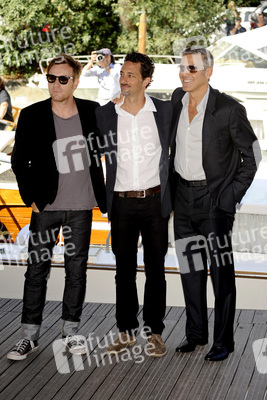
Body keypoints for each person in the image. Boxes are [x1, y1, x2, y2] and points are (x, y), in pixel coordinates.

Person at [7, 54, 106, 361]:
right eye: (51, 78)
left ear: (75, 81)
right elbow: (18, 161)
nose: (56, 84)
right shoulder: (33, 114)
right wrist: (31, 200)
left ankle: (71, 332)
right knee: (36, 271)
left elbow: (109, 148)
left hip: (81, 207)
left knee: (76, 272)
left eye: (63, 79)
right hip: (45, 208)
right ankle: (29, 336)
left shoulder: (93, 112)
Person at [170, 47, 261, 362]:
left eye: (191, 69)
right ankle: (196, 335)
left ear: (208, 72)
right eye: (182, 67)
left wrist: (231, 195)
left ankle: (223, 342)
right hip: (182, 199)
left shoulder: (228, 109)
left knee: (221, 274)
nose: (184, 73)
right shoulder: (175, 101)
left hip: (215, 203)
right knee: (191, 270)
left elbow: (253, 156)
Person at [96, 52, 172, 357]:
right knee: (123, 271)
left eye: (130, 75)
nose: (123, 80)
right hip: (122, 204)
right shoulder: (105, 115)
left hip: (155, 202)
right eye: (122, 74)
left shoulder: (165, 111)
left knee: (156, 270)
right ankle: (125, 332)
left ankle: (155, 332)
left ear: (146, 80)